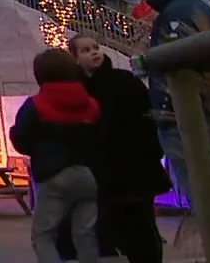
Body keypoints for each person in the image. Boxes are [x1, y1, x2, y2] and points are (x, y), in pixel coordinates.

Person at [128, 0, 210, 217]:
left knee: (208, 203)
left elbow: (180, 68)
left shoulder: (175, 16)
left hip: (186, 121)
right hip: (201, 117)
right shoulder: (195, 8)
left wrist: (151, 64)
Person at [70, 35, 166, 263]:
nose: (94, 52)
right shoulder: (77, 90)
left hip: (134, 167)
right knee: (113, 229)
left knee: (141, 228)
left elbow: (146, 120)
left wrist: (152, 153)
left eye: (95, 47)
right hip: (102, 173)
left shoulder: (124, 81)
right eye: (85, 50)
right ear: (75, 58)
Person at [10, 49, 101, 263]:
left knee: (44, 235)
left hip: (53, 175)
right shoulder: (90, 103)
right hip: (87, 174)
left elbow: (21, 139)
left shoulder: (36, 104)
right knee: (85, 234)